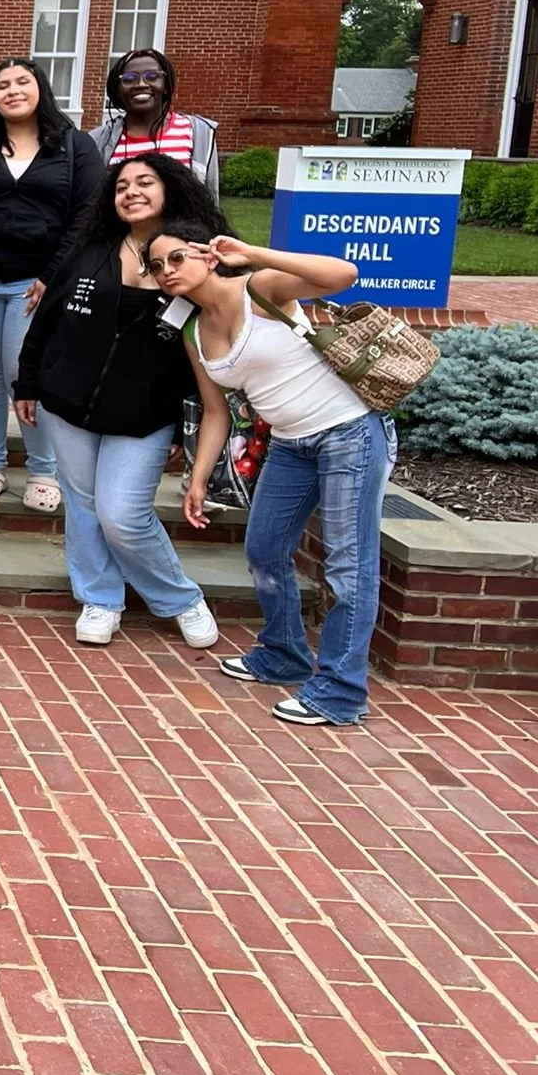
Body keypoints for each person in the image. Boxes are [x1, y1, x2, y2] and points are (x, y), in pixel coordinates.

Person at [155, 224, 390, 727]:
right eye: (156, 266)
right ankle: (283, 652)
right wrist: (198, 479)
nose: (167, 271)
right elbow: (216, 411)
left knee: (349, 566)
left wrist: (254, 254)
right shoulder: (194, 331)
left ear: (206, 255)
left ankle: (341, 692)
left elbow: (344, 274)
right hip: (290, 443)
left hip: (348, 431)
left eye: (176, 257)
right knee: (263, 548)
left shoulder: (261, 289)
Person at [12, 155, 224, 649]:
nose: (131, 191)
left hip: (145, 416)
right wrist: (27, 381)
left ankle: (180, 599)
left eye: (144, 183)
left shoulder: (196, 258)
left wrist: (180, 426)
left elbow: (208, 353)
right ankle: (100, 599)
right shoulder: (90, 251)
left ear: (169, 190)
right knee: (83, 506)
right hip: (67, 404)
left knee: (123, 514)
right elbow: (47, 322)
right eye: (121, 185)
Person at [0, 57, 104, 513]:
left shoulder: (75, 146)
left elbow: (87, 216)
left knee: (24, 373)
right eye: (2, 85)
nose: (12, 90)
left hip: (39, 283)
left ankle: (43, 471)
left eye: (22, 82)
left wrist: (53, 276)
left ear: (40, 89)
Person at [90, 48, 220, 196]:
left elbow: (210, 198)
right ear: (118, 90)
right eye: (129, 79)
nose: (141, 84)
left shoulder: (197, 133)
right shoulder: (99, 140)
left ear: (165, 85)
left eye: (152, 76)